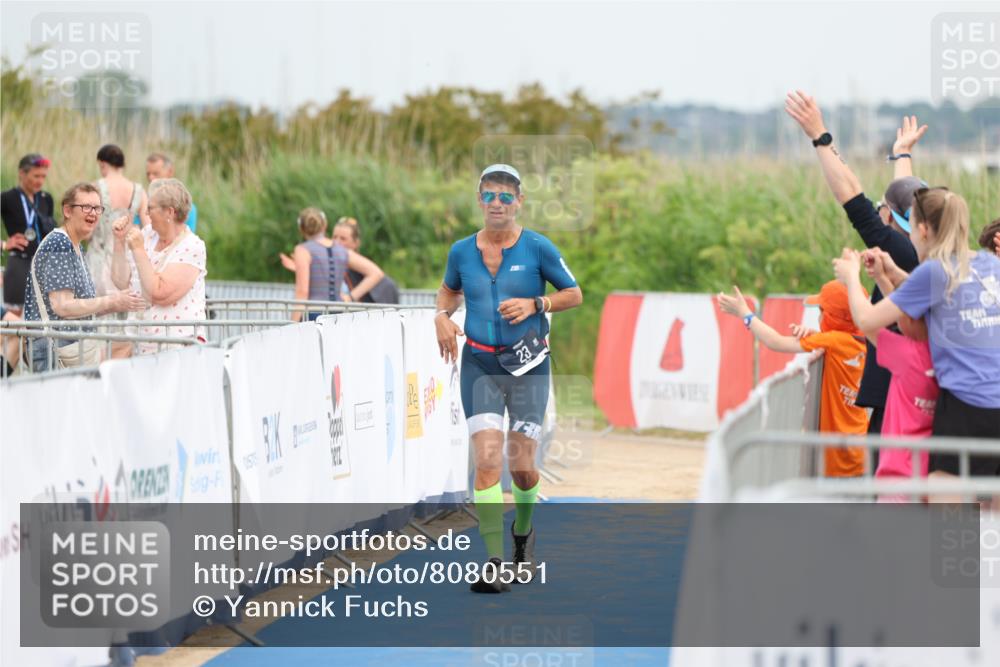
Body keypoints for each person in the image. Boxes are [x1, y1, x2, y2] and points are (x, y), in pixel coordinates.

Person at [435, 164, 583, 593]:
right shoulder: (462, 251)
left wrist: (538, 303)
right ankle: (494, 561)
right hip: (480, 365)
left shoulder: (538, 247)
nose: (497, 204)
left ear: (518, 202)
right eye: (489, 195)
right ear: (479, 200)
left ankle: (523, 534)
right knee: (485, 461)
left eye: (506, 196)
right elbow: (448, 290)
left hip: (528, 368)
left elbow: (575, 294)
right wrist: (441, 316)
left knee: (520, 467)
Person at [785, 93, 926, 464]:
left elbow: (849, 193)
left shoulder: (898, 251)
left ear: (891, 220)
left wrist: (820, 136)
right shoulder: (927, 253)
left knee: (888, 492)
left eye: (881, 209)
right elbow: (904, 200)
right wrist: (902, 156)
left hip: (898, 392)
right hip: (922, 391)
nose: (877, 212)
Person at [833, 187, 1000, 478]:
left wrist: (850, 277)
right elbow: (950, 295)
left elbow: (868, 320)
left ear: (922, 230)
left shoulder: (935, 270)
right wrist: (893, 275)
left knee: (949, 508)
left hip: (967, 404)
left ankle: (957, 527)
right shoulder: (989, 264)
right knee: (992, 510)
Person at [719, 281, 869, 477]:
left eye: (821, 310)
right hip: (860, 451)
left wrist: (745, 314)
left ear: (833, 317)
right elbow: (840, 342)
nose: (819, 315)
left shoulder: (833, 341)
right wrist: (815, 335)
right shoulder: (863, 341)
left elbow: (776, 341)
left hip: (838, 459)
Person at [23, 183, 144, 371]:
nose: (93, 213)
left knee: (128, 346)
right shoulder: (60, 244)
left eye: (97, 208)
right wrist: (112, 302)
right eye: (86, 207)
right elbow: (62, 306)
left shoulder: (76, 246)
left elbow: (82, 306)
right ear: (67, 211)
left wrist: (121, 302)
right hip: (55, 351)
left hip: (68, 348)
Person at [861, 248, 938, 502]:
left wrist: (851, 277)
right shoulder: (949, 352)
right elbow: (909, 318)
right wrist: (884, 278)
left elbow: (866, 322)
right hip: (939, 477)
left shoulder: (908, 355)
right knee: (960, 538)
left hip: (897, 479)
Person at [109, 178, 207, 355]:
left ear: (169, 212)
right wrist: (119, 241)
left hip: (176, 346)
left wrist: (138, 250)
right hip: (140, 342)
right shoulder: (147, 235)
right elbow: (121, 281)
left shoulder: (192, 246)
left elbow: (159, 293)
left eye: (151, 207)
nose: (145, 212)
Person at [282, 208, 384, 322]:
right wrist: (350, 297)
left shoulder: (303, 250)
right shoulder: (342, 250)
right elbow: (376, 273)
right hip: (339, 312)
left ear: (301, 229)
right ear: (324, 225)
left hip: (314, 312)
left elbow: (302, 292)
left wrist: (293, 323)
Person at [86, 144, 149, 296]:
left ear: (102, 164)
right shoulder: (139, 190)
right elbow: (148, 227)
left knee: (98, 307)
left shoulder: (95, 188)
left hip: (98, 257)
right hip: (127, 260)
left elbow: (87, 229)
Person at [2, 153, 56, 314]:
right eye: (36, 176)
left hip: (44, 265)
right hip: (20, 263)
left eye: (43, 176)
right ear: (22, 173)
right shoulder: (7, 198)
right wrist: (4, 244)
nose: (40, 181)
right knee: (14, 321)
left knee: (43, 317)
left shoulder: (47, 199)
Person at [332, 217, 400, 304]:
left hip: (383, 302)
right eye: (334, 237)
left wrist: (350, 298)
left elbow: (377, 274)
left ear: (356, 243)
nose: (336, 242)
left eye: (343, 239)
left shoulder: (347, 255)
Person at [144, 153, 198, 232]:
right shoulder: (143, 200)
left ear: (170, 172)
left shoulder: (187, 207)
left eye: (156, 174)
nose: (151, 178)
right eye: (148, 174)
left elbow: (187, 235)